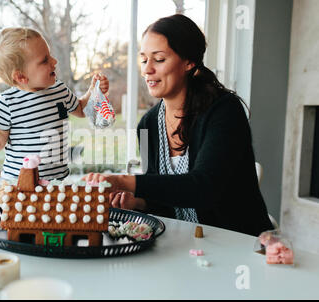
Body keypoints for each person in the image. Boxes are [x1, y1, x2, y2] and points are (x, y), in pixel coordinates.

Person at [85, 15, 273, 236]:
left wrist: (125, 181)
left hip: (238, 243)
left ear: (188, 61)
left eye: (159, 59)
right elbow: (165, 202)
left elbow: (204, 188)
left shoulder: (224, 111)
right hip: (184, 243)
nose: (147, 70)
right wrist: (138, 203)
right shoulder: (147, 124)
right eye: (144, 59)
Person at [0, 27, 109, 181]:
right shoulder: (7, 102)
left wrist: (94, 93)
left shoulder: (59, 89)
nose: (54, 61)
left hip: (57, 182)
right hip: (19, 185)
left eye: (49, 55)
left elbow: (80, 109)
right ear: (21, 77)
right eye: (45, 60)